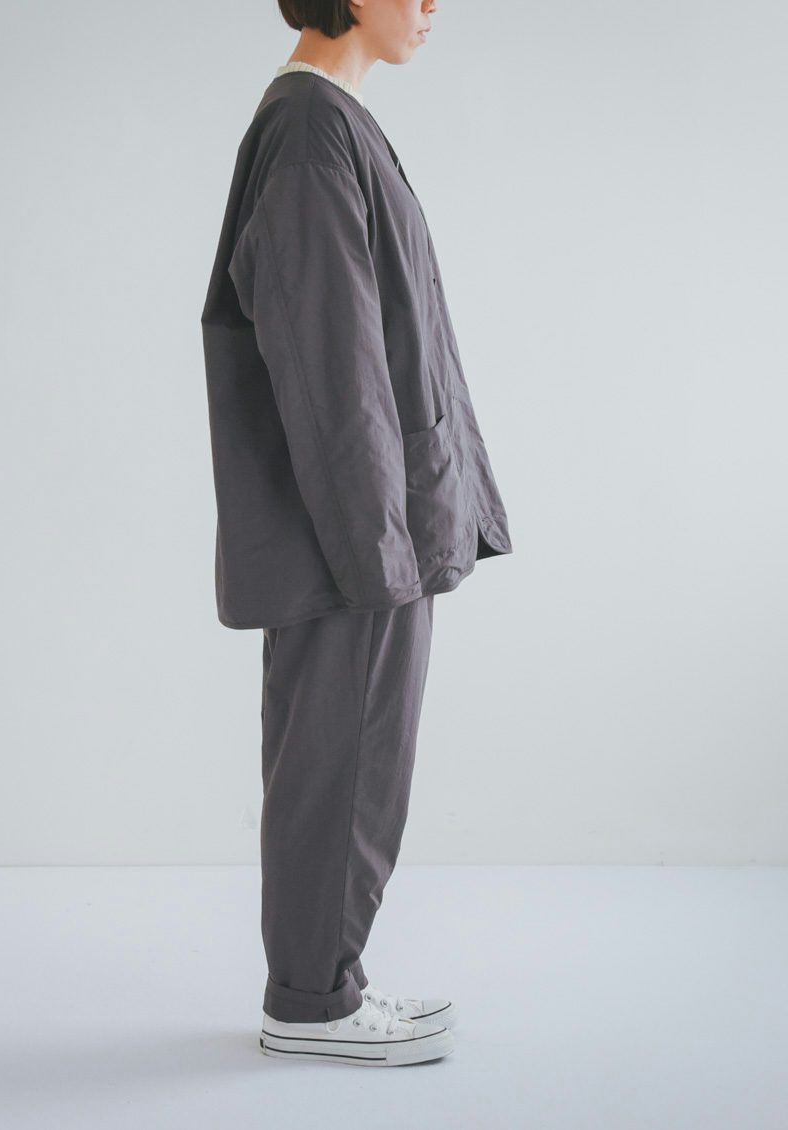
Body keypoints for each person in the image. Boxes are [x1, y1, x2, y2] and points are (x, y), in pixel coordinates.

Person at [199, 0, 513, 1067]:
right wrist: (378, 551)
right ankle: (312, 1003)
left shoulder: (329, 121)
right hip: (351, 540)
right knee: (341, 767)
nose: (432, 6)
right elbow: (331, 362)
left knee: (348, 763)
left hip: (366, 527)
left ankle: (322, 985)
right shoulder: (307, 131)